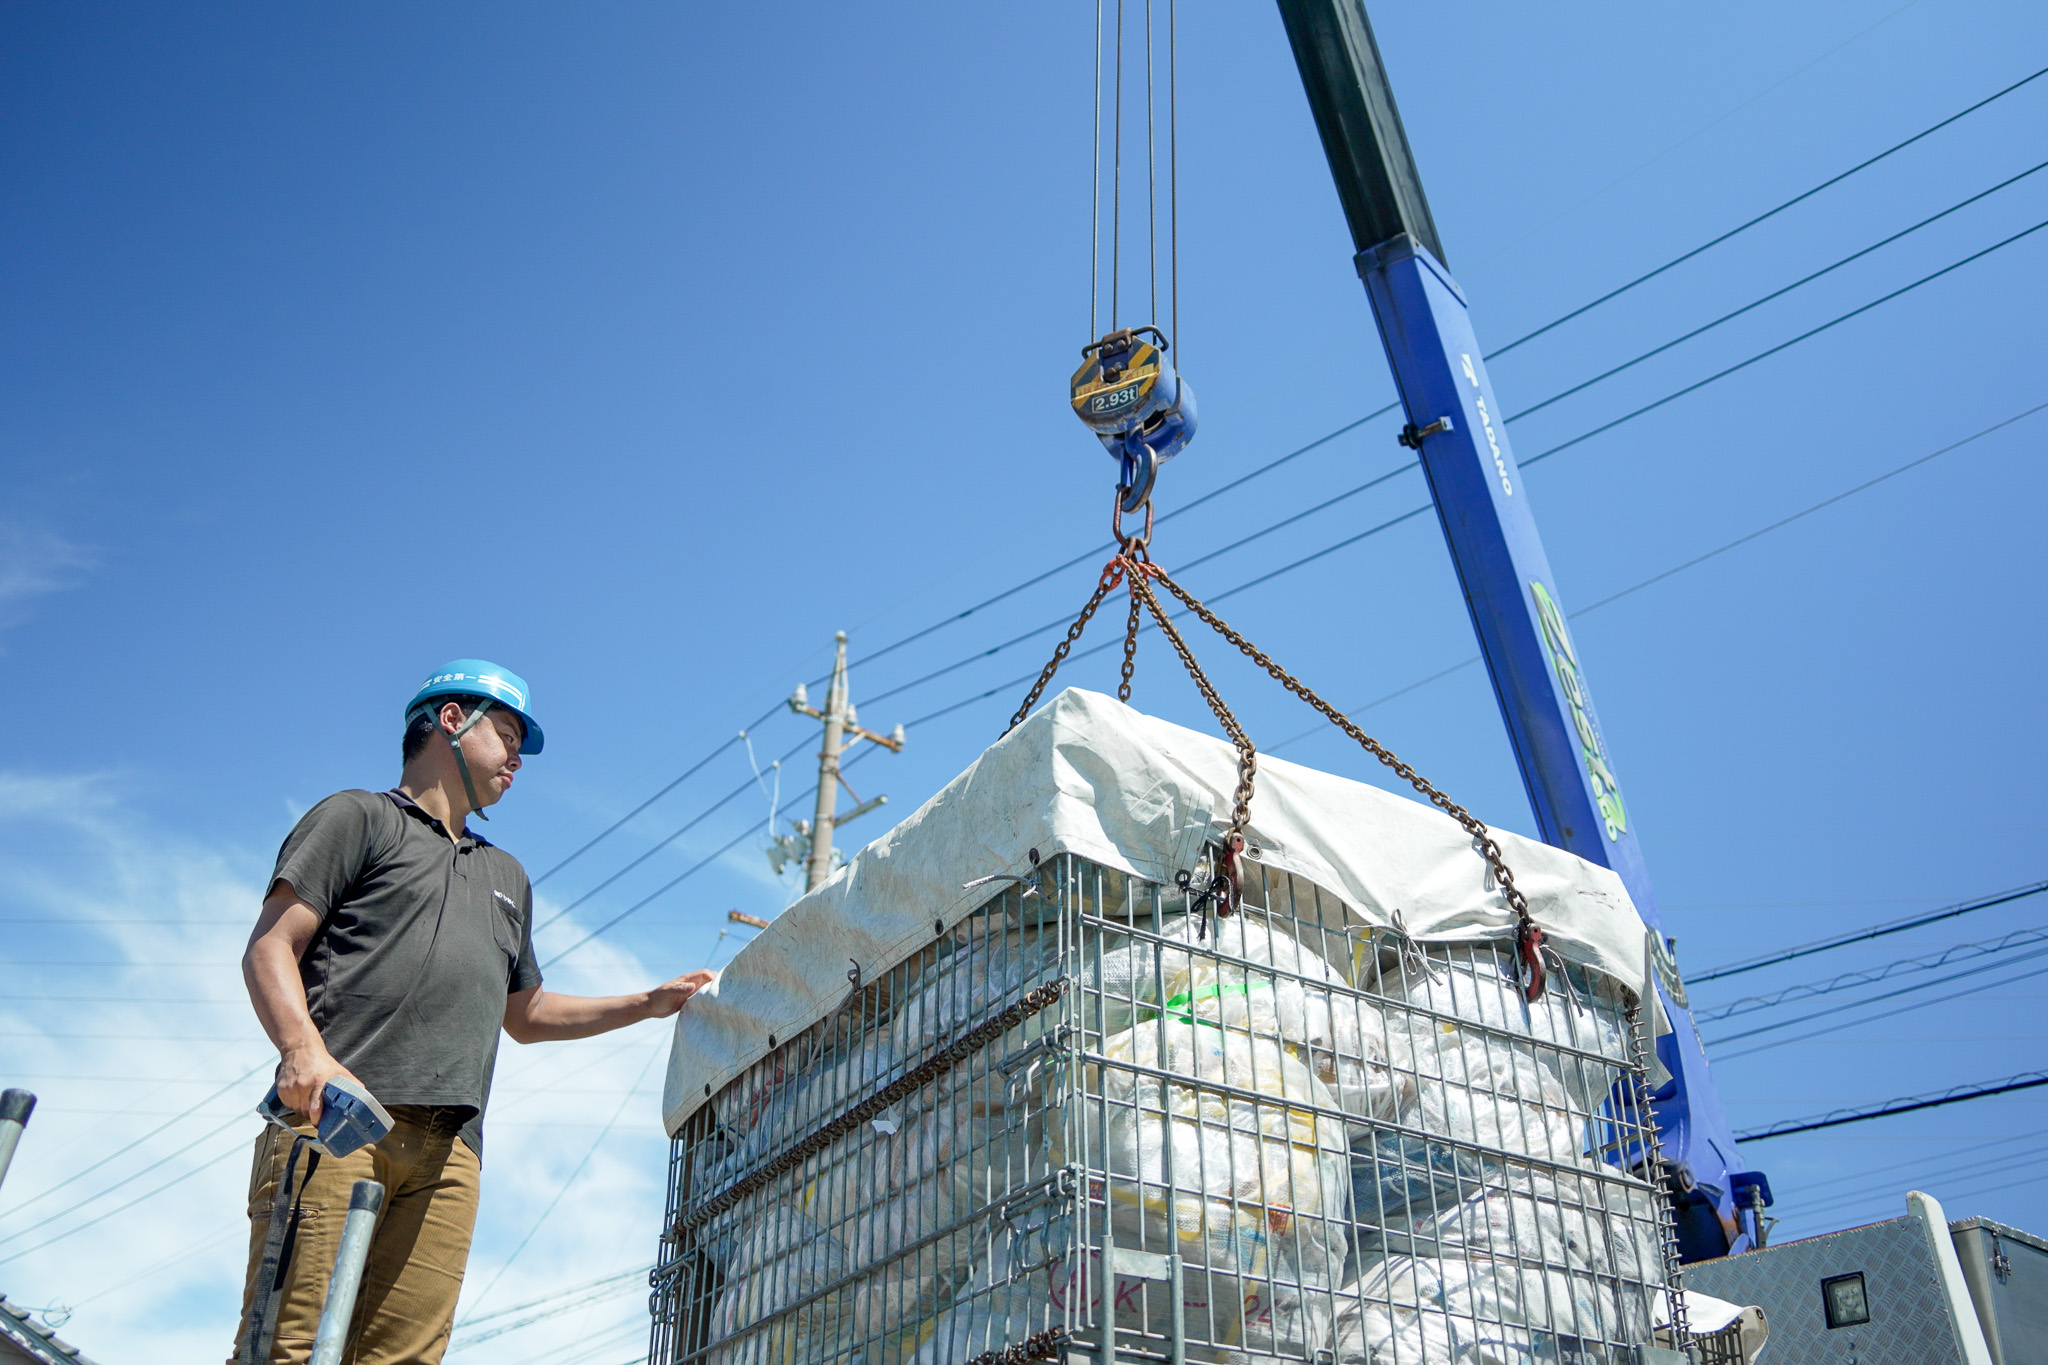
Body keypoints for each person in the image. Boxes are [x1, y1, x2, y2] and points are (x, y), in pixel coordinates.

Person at [234, 660, 714, 1365]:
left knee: (403, 1359)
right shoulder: (358, 818)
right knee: (289, 1348)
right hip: (338, 1119)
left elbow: (527, 1013)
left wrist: (645, 1004)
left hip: (451, 1152)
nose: (517, 761)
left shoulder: (506, 875)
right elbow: (272, 944)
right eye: (509, 737)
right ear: (452, 720)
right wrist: (301, 1050)